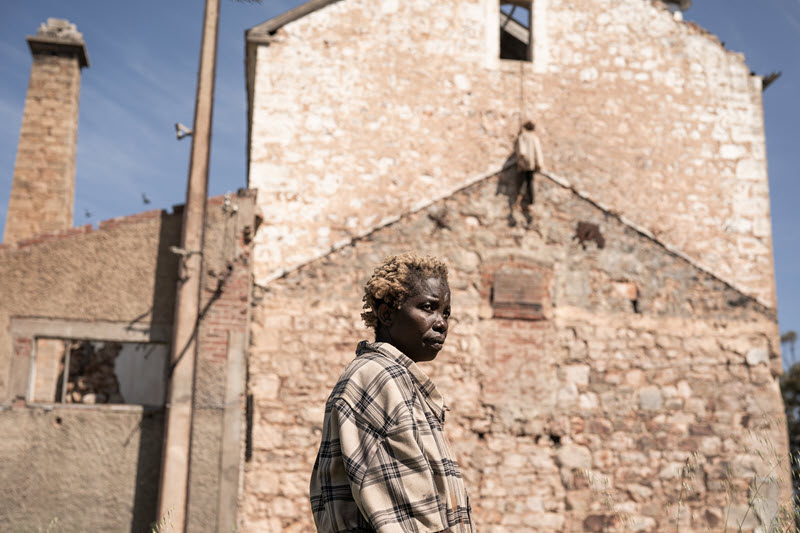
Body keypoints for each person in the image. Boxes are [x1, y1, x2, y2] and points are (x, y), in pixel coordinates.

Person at [310, 252, 474, 532]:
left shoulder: (402, 381)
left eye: (445, 312)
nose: (441, 323)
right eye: (428, 308)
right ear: (387, 314)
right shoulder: (376, 378)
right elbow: (408, 519)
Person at [514, 120, 544, 213]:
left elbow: (521, 150)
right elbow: (537, 151)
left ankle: (519, 202)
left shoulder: (522, 136)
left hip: (524, 162)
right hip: (531, 163)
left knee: (523, 182)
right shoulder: (534, 138)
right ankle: (529, 203)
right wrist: (539, 164)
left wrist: (521, 160)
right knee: (529, 182)